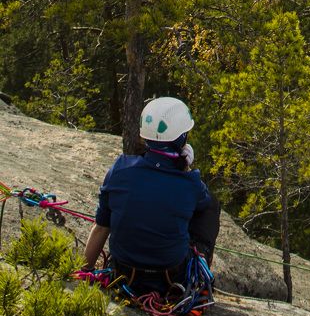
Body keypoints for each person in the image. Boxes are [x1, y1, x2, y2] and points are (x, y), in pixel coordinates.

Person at [83, 96, 220, 295]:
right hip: (171, 280)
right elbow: (202, 201)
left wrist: (84, 270)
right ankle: (200, 274)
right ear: (182, 138)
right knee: (210, 206)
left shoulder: (120, 169)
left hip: (123, 273)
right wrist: (186, 167)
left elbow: (101, 226)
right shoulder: (190, 183)